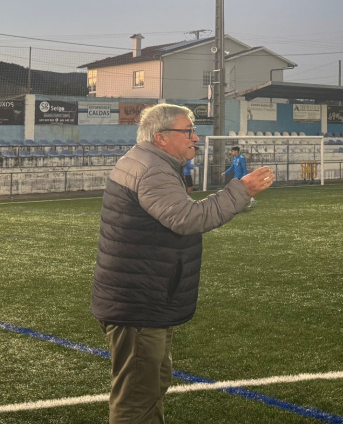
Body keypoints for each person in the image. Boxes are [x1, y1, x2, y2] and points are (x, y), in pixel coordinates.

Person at [91, 104, 274, 424]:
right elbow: (188, 219)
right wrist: (241, 191)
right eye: (188, 131)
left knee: (150, 387)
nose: (195, 137)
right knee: (137, 399)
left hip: (141, 296)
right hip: (140, 303)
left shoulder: (145, 161)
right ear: (161, 137)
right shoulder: (153, 170)